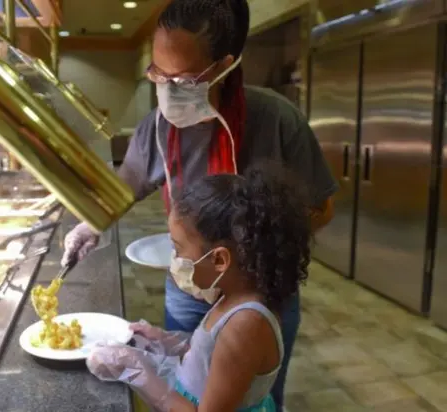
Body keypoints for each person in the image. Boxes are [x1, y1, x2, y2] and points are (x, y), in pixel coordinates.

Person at [62, 0, 337, 408]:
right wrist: (91, 225)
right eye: (159, 74)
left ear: (224, 66)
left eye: (185, 78)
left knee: (254, 392)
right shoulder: (156, 128)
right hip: (191, 285)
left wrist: (252, 243)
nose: (168, 89)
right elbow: (123, 189)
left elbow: (322, 207)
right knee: (195, 369)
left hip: (258, 290)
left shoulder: (277, 120)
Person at [87, 164, 311, 411]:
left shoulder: (245, 325)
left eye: (178, 248)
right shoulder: (230, 295)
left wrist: (137, 372)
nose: (174, 258)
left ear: (219, 260)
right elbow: (212, 361)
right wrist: (165, 342)